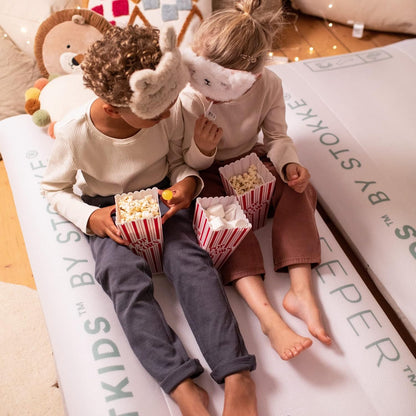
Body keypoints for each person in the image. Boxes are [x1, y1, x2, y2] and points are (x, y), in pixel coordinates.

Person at [41, 24, 258, 416]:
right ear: (112, 107)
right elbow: (53, 190)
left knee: (192, 265)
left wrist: (187, 184)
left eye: (167, 107)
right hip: (107, 209)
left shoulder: (167, 113)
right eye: (154, 113)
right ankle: (179, 382)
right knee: (122, 282)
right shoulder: (75, 133)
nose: (166, 116)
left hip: (162, 196)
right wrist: (92, 218)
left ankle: (236, 372)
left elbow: (178, 162)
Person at [179, 0, 332, 361]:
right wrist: (202, 149)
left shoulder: (268, 84)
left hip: (251, 159)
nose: (212, 92)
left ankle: (300, 290)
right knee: (224, 221)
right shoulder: (190, 97)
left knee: (300, 190)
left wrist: (289, 165)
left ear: (254, 75)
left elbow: (277, 137)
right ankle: (267, 316)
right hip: (207, 170)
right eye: (206, 79)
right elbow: (180, 161)